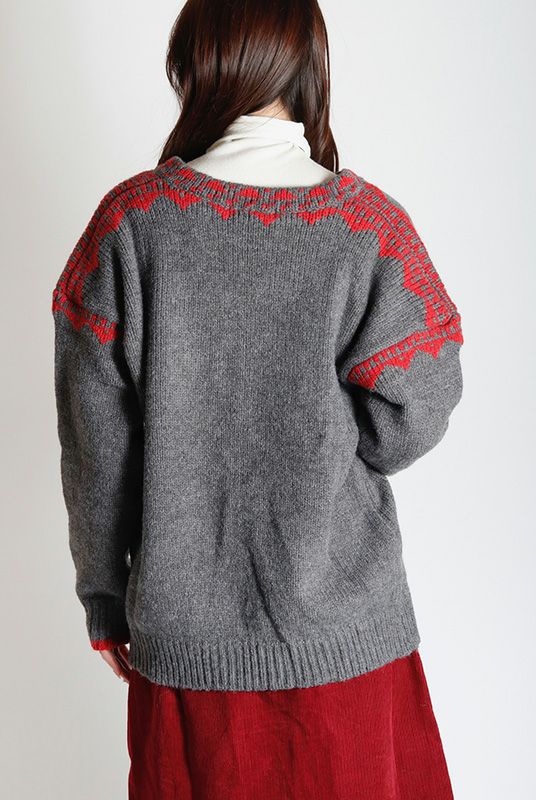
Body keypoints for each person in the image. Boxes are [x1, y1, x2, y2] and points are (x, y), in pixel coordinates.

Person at [51, 1, 463, 797]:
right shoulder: (368, 228)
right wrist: (331, 438)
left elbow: (96, 449)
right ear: (308, 69)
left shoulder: (129, 226)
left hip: (188, 655)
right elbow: (420, 403)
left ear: (192, 68)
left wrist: (104, 596)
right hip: (349, 648)